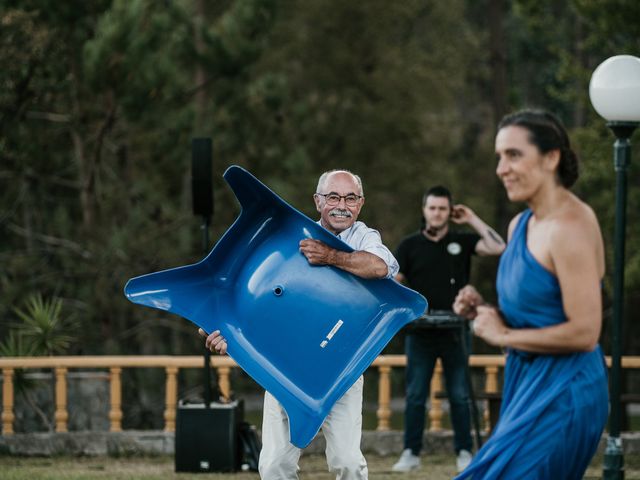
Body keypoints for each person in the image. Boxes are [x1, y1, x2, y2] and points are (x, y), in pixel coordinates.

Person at [200, 169, 399, 480]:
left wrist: (331, 256)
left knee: (348, 463)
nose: (341, 205)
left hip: (340, 369)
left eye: (350, 198)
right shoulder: (289, 239)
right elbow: (258, 302)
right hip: (287, 370)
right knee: (274, 464)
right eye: (333, 197)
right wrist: (218, 330)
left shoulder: (363, 237)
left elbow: (380, 266)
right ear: (317, 201)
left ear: (361, 203)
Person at [452, 109, 609, 479]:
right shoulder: (519, 224)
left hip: (566, 390)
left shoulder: (572, 226)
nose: (501, 168)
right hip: (526, 384)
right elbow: (536, 311)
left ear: (551, 157)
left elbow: (586, 333)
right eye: (499, 156)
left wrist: (503, 335)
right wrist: (485, 311)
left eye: (514, 154)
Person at [392, 186, 505, 473]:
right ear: (424, 210)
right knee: (416, 394)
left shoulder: (462, 241)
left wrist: (472, 219)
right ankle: (411, 452)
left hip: (456, 331)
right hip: (421, 331)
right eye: (432, 208)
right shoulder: (409, 245)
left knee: (460, 394)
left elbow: (498, 247)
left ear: (449, 211)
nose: (437, 213)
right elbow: (394, 283)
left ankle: (465, 450)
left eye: (443, 208)